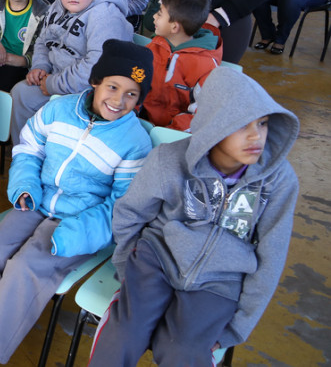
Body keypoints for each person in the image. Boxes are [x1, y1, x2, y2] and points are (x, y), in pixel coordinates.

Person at [0, 39, 154, 367]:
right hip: (38, 202)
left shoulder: (135, 143)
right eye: (112, 87)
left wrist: (74, 234)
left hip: (78, 224)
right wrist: (26, 185)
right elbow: (30, 147)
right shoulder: (60, 108)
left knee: (27, 265)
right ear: (95, 82)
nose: (118, 100)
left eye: (131, 94)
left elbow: (121, 206)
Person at [87, 67, 299, 367]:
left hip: (219, 281)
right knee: (124, 333)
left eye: (263, 123)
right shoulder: (169, 160)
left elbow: (272, 256)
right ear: (214, 125)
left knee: (182, 352)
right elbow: (130, 213)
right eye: (242, 125)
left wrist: (240, 325)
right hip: (157, 259)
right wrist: (126, 266)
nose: (257, 136)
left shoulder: (279, 181)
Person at [10, 0, 133, 138]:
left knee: (28, 97)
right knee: (20, 92)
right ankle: (26, 155)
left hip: (90, 92)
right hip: (56, 79)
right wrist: (40, 66)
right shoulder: (59, 3)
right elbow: (43, 39)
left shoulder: (106, 16)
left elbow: (96, 69)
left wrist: (53, 84)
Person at [143, 0, 222, 131]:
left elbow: (200, 113)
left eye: (159, 13)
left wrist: (166, 133)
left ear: (174, 27)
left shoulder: (206, 67)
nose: (154, 16)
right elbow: (135, 83)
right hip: (142, 125)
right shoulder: (153, 47)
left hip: (176, 135)